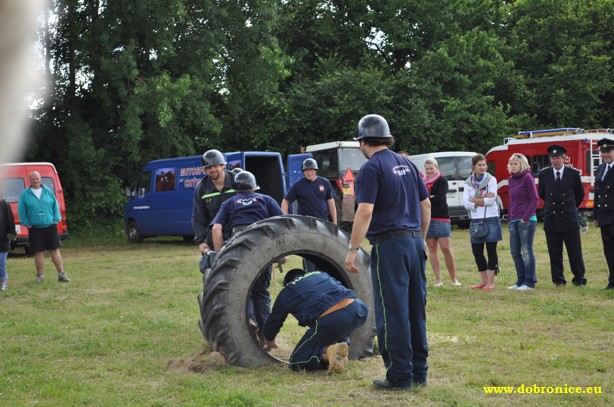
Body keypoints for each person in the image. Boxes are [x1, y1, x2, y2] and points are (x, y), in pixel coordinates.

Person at [344, 114, 431, 391]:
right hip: (415, 241)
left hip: (390, 245)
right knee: (415, 309)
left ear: (362, 140)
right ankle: (419, 373)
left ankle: (399, 377)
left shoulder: (371, 168)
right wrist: (421, 239)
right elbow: (426, 205)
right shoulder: (407, 163)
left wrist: (352, 249)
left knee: (393, 312)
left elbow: (365, 210)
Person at [211, 171, 283, 341]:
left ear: (236, 190)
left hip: (238, 247)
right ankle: (266, 334)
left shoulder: (229, 203)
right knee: (261, 291)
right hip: (261, 249)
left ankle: (249, 320)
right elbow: (282, 223)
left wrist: (220, 254)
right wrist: (280, 253)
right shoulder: (266, 200)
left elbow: (216, 228)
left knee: (245, 290)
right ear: (254, 187)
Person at [261, 268, 368, 373]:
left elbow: (273, 322)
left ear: (287, 283)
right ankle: (342, 348)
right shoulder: (320, 273)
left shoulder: (286, 291)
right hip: (359, 309)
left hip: (333, 320)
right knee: (339, 322)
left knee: (297, 360)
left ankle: (328, 352)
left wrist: (269, 341)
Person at [538, 144, 587, 287]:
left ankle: (579, 278)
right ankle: (558, 279)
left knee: (574, 252)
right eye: (553, 158)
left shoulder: (573, 174)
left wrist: (570, 207)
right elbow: (542, 193)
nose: (555, 160)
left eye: (558, 157)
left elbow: (579, 195)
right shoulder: (544, 174)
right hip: (552, 218)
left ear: (564, 158)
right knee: (555, 252)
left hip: (569, 218)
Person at [17, 171, 70, 283]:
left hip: (50, 226)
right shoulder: (25, 194)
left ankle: (61, 274)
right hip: (35, 228)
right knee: (38, 252)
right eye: (33, 179)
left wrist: (56, 220)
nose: (35, 181)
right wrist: (26, 223)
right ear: (29, 180)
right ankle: (40, 276)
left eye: (37, 178)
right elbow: (21, 211)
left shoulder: (48, 191)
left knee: (55, 250)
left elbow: (56, 206)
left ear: (40, 179)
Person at [463, 154, 501, 291]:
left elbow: (492, 200)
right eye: (479, 165)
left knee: (491, 250)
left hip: (491, 218)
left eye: (484, 165)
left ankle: (491, 282)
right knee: (477, 251)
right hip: (476, 219)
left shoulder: (491, 180)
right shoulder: (468, 182)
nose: (482, 167)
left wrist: (474, 199)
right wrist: (479, 201)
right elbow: (466, 203)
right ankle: (483, 281)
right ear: (474, 166)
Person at [423, 158, 460, 287]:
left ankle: (454, 279)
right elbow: (420, 198)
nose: (429, 171)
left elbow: (439, 197)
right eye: (426, 169)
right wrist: (429, 197)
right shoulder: (422, 182)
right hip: (427, 218)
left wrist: (427, 198)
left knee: (446, 248)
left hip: (441, 217)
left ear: (437, 168)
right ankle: (438, 280)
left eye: (431, 168)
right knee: (432, 248)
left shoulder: (442, 180)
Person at [191, 149, 236, 256]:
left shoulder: (236, 181)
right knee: (212, 270)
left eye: (215, 166)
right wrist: (201, 241)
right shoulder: (201, 188)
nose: (212, 169)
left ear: (223, 165)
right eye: (208, 167)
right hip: (213, 239)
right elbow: (198, 217)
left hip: (236, 235)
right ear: (205, 170)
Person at [506, 153, 539, 291]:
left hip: (526, 219)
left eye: (516, 164)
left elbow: (535, 200)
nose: (513, 166)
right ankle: (520, 280)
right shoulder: (510, 180)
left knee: (526, 250)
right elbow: (512, 201)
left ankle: (530, 282)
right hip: (513, 219)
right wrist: (509, 218)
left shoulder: (527, 177)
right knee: (515, 252)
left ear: (522, 164)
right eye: (511, 164)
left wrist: (525, 218)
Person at [281, 158, 337, 225]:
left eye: (311, 170)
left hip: (323, 222)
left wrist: (334, 221)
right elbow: (285, 201)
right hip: (304, 224)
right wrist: (284, 219)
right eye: (306, 170)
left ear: (316, 170)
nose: (309, 173)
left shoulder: (325, 183)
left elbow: (331, 202)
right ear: (303, 171)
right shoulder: (297, 185)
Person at [592, 138, 614, 290]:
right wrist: (596, 215)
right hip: (604, 215)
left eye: (608, 151)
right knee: (609, 250)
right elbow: (598, 193)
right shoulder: (600, 168)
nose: (605, 154)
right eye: (603, 152)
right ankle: (612, 281)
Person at [0, 198, 17, 291]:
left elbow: (11, 223)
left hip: (3, 239)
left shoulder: (5, 205)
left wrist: (11, 237)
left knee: (1, 262)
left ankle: (3, 281)